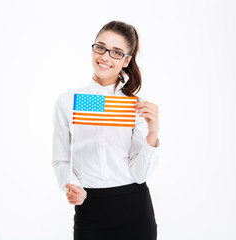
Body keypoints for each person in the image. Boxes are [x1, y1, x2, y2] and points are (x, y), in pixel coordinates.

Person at [52, 20, 161, 240]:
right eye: (100, 47)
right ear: (93, 48)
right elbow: (61, 160)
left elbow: (139, 174)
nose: (105, 57)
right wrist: (72, 186)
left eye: (116, 52)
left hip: (134, 209)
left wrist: (152, 133)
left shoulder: (135, 106)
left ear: (127, 60)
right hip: (90, 210)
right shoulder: (68, 102)